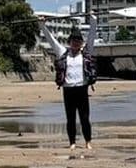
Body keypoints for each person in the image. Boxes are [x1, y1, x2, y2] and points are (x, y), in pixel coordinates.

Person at [39, 15, 97, 150]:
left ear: (82, 43)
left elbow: (92, 36)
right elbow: (51, 40)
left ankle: (88, 142)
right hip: (68, 90)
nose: (76, 43)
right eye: (73, 41)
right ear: (69, 42)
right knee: (70, 118)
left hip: (82, 89)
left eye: (78, 41)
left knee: (84, 118)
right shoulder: (63, 53)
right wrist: (42, 25)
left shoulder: (86, 53)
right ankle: (72, 143)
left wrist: (93, 20)